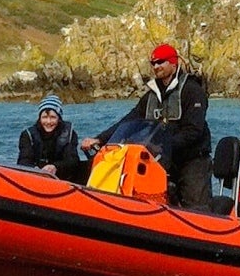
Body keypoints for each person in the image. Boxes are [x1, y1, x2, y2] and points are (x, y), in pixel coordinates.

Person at [80, 42, 212, 209]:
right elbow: (128, 121)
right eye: (153, 63)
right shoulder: (150, 96)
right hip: (162, 159)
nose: (156, 66)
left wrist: (164, 145)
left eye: (161, 62)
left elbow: (194, 130)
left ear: (173, 63)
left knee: (196, 206)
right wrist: (100, 139)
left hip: (192, 158)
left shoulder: (193, 91)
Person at [17, 94, 87, 182]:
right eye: (45, 117)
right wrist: (36, 170)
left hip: (63, 180)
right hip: (35, 178)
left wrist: (55, 167)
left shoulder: (69, 134)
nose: (48, 122)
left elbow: (73, 161)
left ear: (59, 118)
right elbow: (23, 161)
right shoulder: (27, 135)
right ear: (39, 118)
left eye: (53, 117)